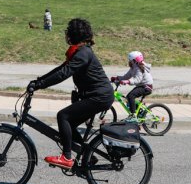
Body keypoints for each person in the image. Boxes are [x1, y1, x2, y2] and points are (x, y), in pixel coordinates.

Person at [28, 18, 113, 169]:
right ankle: (87, 155)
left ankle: (67, 157)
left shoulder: (83, 53)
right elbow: (61, 69)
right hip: (97, 95)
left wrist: (40, 85)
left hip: (99, 96)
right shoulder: (80, 52)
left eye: (69, 32)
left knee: (63, 116)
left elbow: (64, 74)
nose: (67, 35)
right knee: (70, 124)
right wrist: (38, 81)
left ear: (75, 35)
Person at [113, 51, 155, 120]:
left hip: (146, 87)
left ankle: (133, 115)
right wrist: (117, 78)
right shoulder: (134, 67)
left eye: (130, 60)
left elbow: (137, 79)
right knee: (128, 98)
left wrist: (128, 81)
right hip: (141, 86)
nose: (129, 61)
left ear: (135, 60)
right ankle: (139, 112)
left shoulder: (139, 68)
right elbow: (127, 76)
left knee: (131, 96)